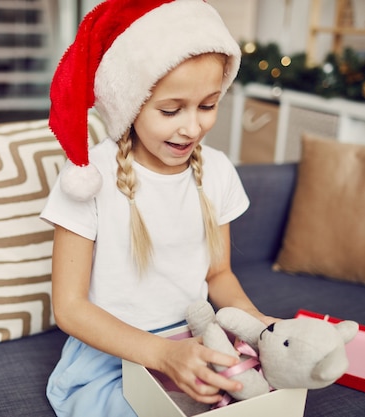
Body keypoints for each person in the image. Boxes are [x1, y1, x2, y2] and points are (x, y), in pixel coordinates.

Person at [41, 1, 275, 415]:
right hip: (111, 357)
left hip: (197, 341)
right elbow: (69, 308)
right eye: (170, 110)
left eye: (208, 105)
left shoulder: (217, 171)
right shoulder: (89, 176)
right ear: (129, 104)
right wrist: (163, 355)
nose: (192, 127)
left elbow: (218, 274)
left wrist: (262, 328)